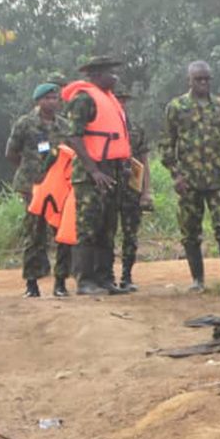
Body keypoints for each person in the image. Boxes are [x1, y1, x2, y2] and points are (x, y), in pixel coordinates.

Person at [161, 61, 220, 291]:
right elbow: (167, 143)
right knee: (190, 230)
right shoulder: (176, 107)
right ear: (190, 80)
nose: (203, 83)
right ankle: (197, 280)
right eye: (198, 79)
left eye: (207, 79)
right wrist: (176, 175)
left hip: (219, 179)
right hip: (189, 181)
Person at [62, 56, 131, 296]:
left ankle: (105, 279)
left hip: (112, 171)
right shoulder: (83, 99)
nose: (116, 77)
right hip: (91, 174)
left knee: (108, 228)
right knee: (88, 227)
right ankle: (85, 281)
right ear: (97, 75)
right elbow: (74, 137)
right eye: (111, 72)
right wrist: (93, 170)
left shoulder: (110, 100)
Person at [7, 83, 71, 297]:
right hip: (33, 188)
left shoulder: (64, 125)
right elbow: (11, 152)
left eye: (55, 98)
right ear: (38, 101)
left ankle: (60, 283)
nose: (52, 102)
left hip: (59, 189)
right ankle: (32, 284)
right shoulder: (25, 123)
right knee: (34, 234)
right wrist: (28, 173)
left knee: (62, 234)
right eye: (47, 98)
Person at [114, 86, 152, 292]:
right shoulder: (102, 127)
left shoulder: (136, 129)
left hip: (132, 190)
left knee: (130, 234)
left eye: (124, 100)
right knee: (106, 234)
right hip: (109, 188)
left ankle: (126, 276)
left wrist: (146, 192)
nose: (121, 103)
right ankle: (106, 276)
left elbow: (144, 162)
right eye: (117, 99)